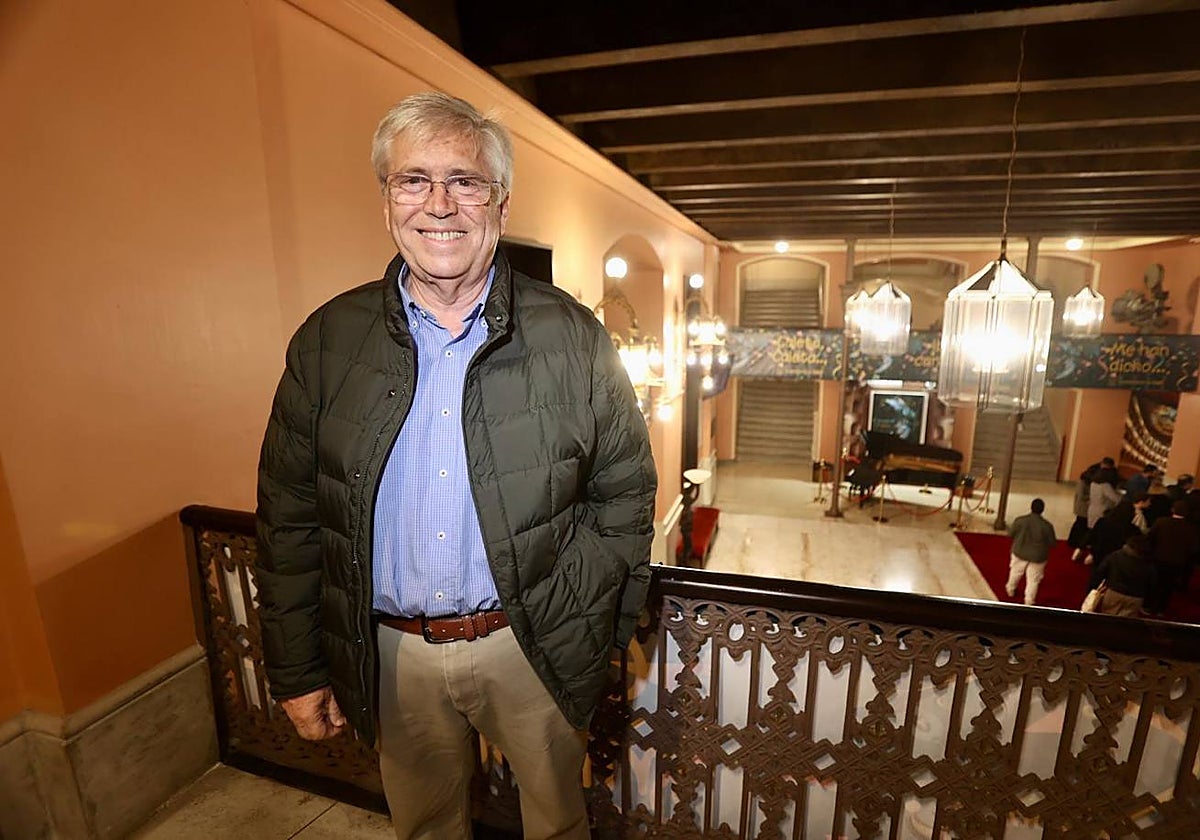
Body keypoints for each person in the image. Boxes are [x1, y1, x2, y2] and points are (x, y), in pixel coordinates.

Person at [255, 92, 657, 839]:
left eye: (465, 181)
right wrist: (298, 669)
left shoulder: (573, 337)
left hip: (531, 644)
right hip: (392, 654)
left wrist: (590, 627)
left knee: (559, 824)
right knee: (425, 827)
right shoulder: (326, 342)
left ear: (499, 201)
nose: (439, 204)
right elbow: (291, 518)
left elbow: (624, 496)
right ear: (387, 201)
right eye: (413, 180)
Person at [1144, 500, 1200, 616]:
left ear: (1172, 510)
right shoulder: (1190, 528)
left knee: (1154, 583)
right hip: (1176, 562)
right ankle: (1161, 609)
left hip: (1158, 558)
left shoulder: (1161, 522)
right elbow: (1194, 548)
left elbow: (1150, 538)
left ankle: (1148, 606)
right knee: (1168, 586)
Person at [1006, 498, 1057, 606]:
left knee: (1015, 572)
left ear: (1031, 507)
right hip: (1038, 556)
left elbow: (1010, 534)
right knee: (1033, 580)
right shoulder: (1047, 526)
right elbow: (1052, 543)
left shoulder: (1020, 520)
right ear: (1042, 510)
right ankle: (1029, 601)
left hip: (1020, 551)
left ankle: (1010, 589)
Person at [1093, 534, 1157, 617]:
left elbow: (1101, 571)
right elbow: (1152, 583)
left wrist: (1094, 587)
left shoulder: (1116, 555)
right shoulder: (1148, 563)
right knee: (1125, 622)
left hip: (1114, 592)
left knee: (1107, 617)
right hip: (1135, 597)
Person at [1069, 457, 1113, 561]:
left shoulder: (1092, 482)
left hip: (1088, 507)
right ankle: (1075, 542)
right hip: (1083, 506)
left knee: (1083, 526)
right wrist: (1092, 498)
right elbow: (1081, 495)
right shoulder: (1085, 482)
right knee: (1081, 524)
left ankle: (1077, 544)